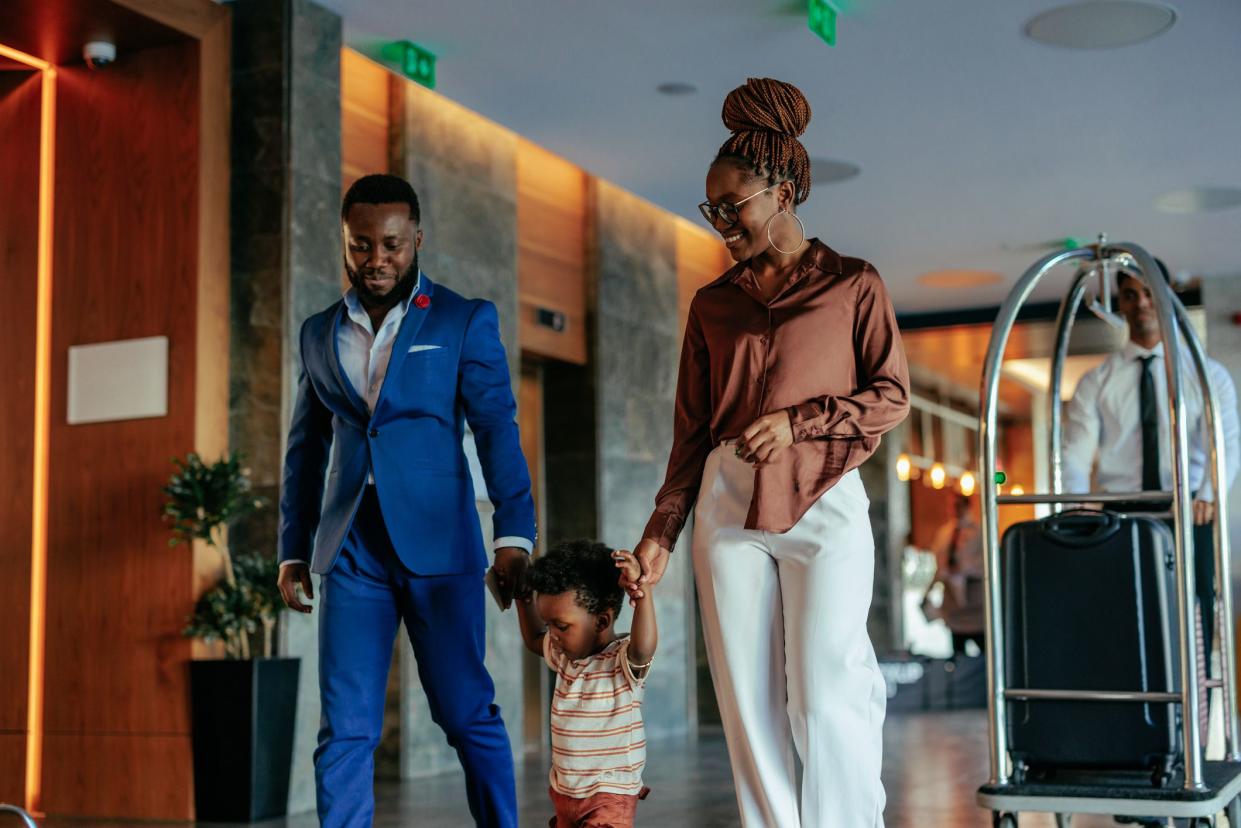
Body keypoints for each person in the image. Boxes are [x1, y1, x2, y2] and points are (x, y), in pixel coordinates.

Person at [627, 77, 909, 827]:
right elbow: (690, 431)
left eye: (733, 205)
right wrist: (660, 533)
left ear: (781, 191)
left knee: (824, 689)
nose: (720, 221)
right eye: (710, 208)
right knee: (747, 707)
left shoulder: (853, 284)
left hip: (825, 495)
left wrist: (800, 421)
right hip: (726, 501)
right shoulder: (711, 304)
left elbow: (890, 396)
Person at [275, 174, 535, 827]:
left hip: (438, 542)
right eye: (361, 245)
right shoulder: (316, 333)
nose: (376, 259)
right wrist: (292, 549)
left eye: (391, 244)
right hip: (351, 547)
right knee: (346, 727)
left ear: (415, 239)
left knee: (464, 710)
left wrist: (513, 535)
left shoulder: (459, 318)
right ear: (345, 243)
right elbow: (305, 451)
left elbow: (496, 428)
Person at [1062, 264, 1239, 661]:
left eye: (1148, 292)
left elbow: (1225, 442)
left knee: (1193, 623)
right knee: (1121, 621)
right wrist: (1077, 503)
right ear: (1120, 304)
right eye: (1130, 294)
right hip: (1120, 512)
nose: (1141, 302)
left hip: (1189, 510)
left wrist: (1210, 495)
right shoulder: (1097, 380)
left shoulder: (1207, 375)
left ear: (1167, 296)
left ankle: (1192, 718)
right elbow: (1075, 450)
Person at [516, 540, 656, 828]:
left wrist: (642, 595)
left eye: (561, 626)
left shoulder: (620, 662)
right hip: (565, 792)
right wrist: (523, 598)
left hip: (610, 794)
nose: (552, 635)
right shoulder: (565, 656)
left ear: (602, 621)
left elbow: (645, 647)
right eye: (549, 624)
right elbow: (533, 639)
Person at [922, 495, 986, 656]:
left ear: (966, 507)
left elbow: (985, 564)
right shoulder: (945, 533)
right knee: (958, 653)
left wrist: (965, 568)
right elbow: (939, 565)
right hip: (953, 605)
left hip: (975, 602)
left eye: (958, 506)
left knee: (984, 651)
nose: (954, 510)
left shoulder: (980, 532)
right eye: (952, 506)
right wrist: (929, 590)